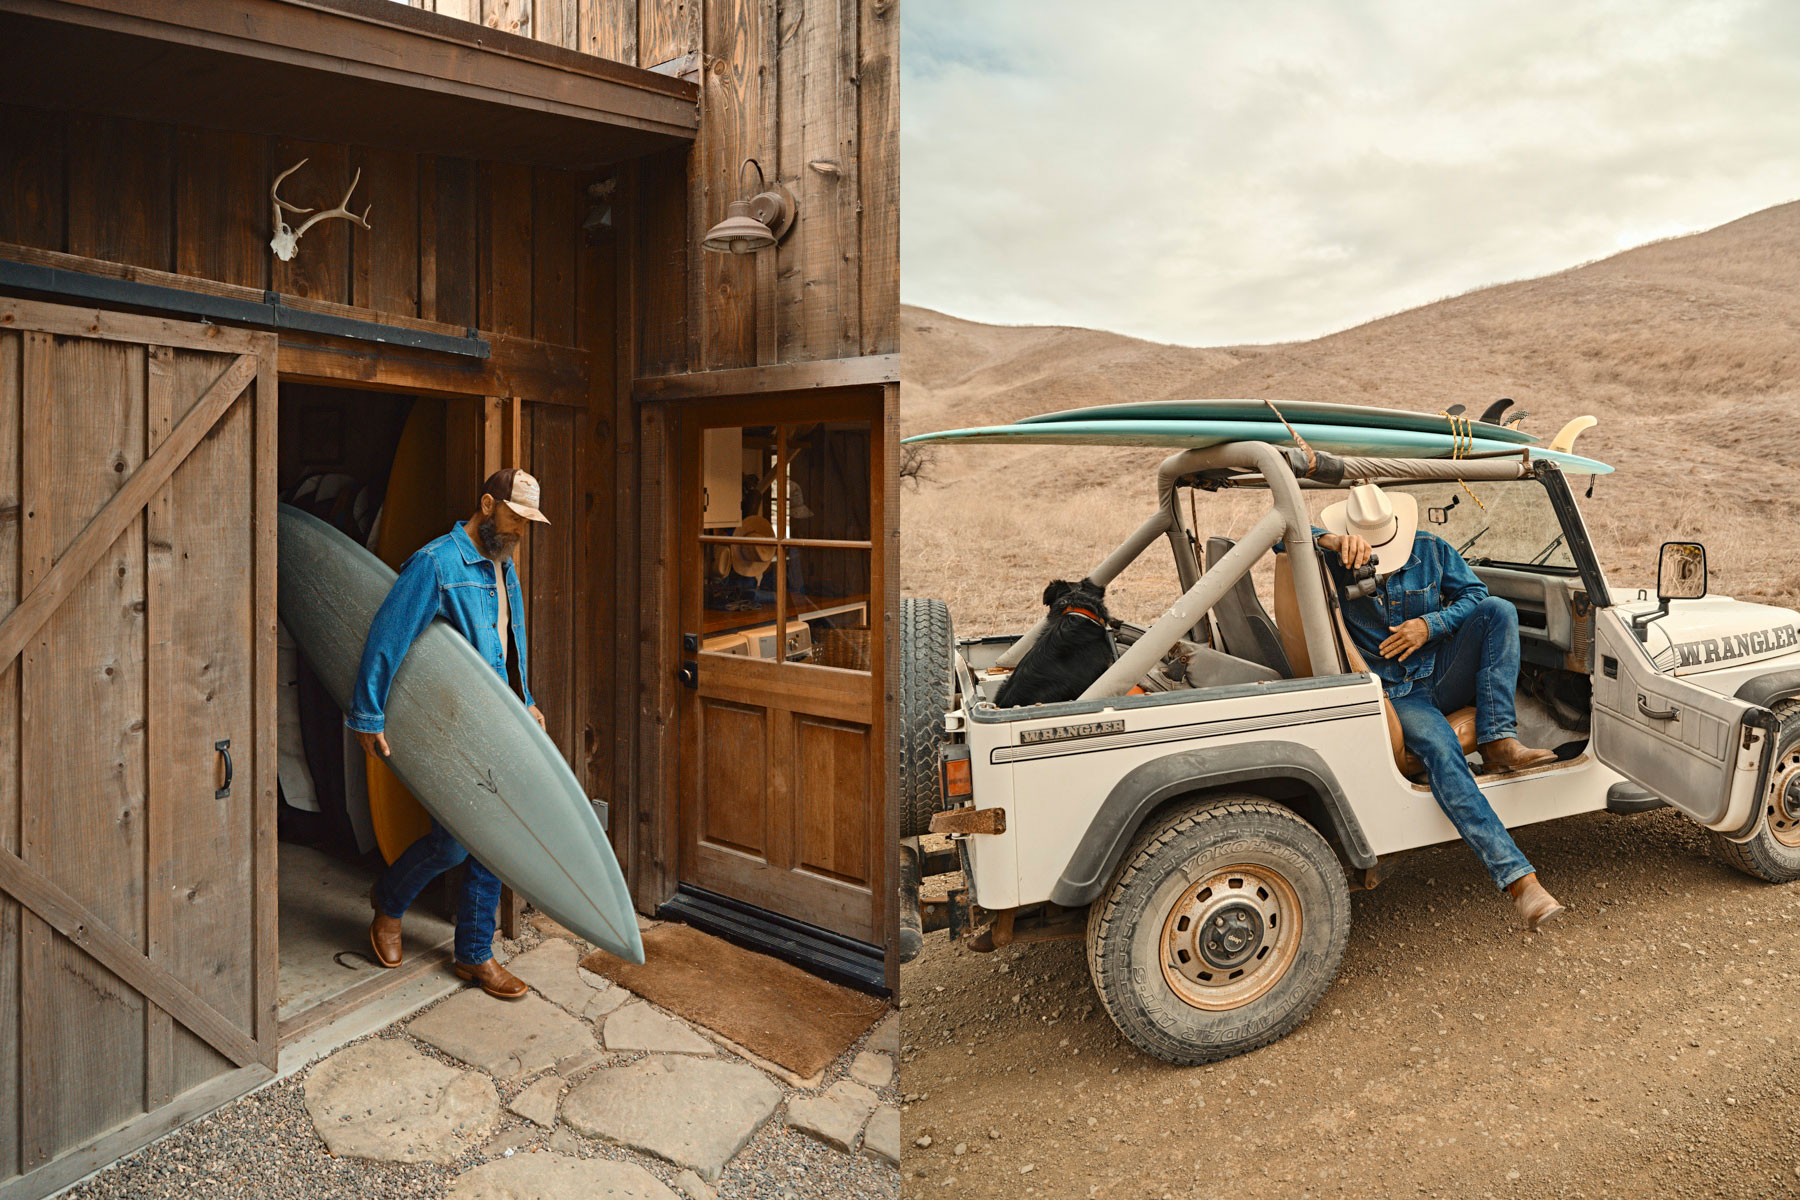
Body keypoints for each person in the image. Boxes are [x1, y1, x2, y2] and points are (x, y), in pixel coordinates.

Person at [1302, 482, 1565, 930]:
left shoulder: (1430, 548)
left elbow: (1475, 596)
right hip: (1395, 696)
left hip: (1438, 672)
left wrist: (1430, 624)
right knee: (1444, 752)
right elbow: (1275, 534)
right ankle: (1521, 880)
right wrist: (1327, 538)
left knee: (1499, 610)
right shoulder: (1327, 558)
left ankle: (1499, 739)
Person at [347, 467, 551, 997]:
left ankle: (474, 954)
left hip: (499, 724)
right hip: (453, 727)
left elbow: (511, 642)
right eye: (514, 517)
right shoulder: (435, 564)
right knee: (455, 846)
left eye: (528, 522)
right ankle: (389, 902)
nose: (520, 532)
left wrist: (525, 700)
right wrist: (368, 715)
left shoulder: (504, 566)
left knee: (489, 841)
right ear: (486, 504)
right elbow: (387, 637)